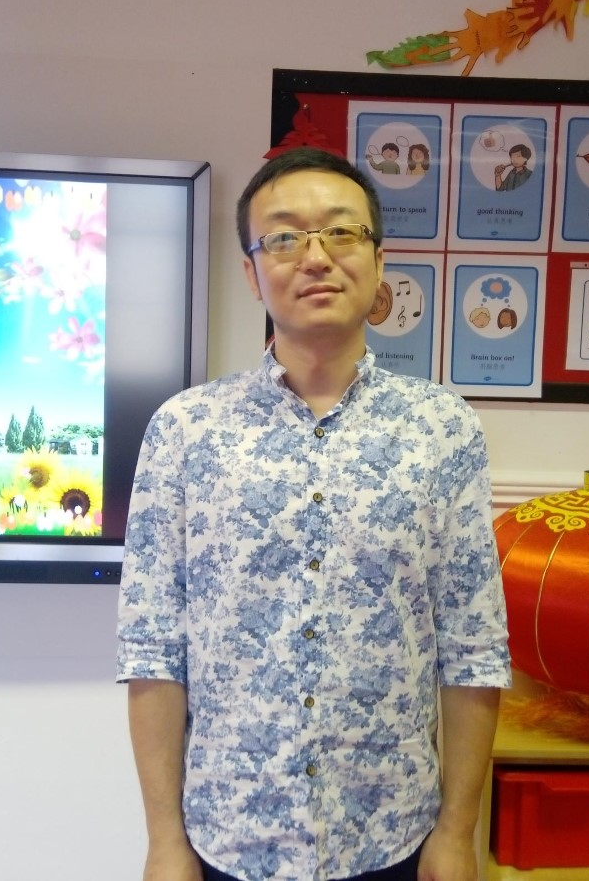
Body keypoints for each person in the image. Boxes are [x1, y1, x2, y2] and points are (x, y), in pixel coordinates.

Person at [116, 146, 510, 881]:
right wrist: (164, 840)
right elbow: (153, 651)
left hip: (393, 834)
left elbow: (473, 646)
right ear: (251, 272)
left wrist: (458, 831)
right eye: (285, 237)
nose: (316, 256)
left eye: (341, 231)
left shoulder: (442, 428)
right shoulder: (186, 430)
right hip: (229, 836)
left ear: (379, 260)